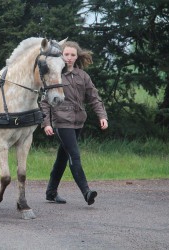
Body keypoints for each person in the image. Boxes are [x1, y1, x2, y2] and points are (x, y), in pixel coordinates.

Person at [41, 40, 108, 205]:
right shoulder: (55, 75)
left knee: (62, 158)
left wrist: (102, 116)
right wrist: (47, 123)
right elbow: (44, 102)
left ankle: (51, 192)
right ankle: (86, 192)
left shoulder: (83, 76)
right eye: (66, 54)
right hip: (61, 122)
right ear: (61, 55)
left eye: (72, 55)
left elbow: (94, 98)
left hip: (78, 122)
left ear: (77, 57)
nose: (69, 58)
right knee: (74, 155)